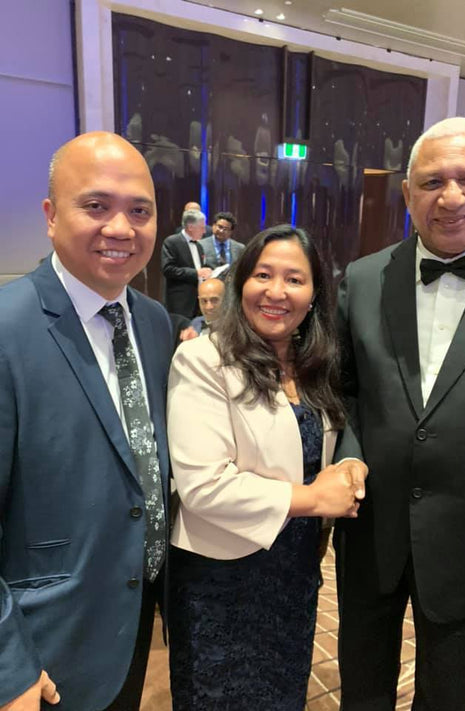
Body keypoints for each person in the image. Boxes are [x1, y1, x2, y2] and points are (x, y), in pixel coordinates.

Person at [334, 116, 465, 711]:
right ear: (407, 194)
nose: (450, 198)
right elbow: (345, 391)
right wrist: (347, 460)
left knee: (449, 698)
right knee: (361, 691)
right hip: (371, 532)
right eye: (431, 182)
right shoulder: (366, 277)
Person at [0, 132, 173, 711]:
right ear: (50, 216)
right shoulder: (7, 330)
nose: (121, 228)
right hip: (41, 646)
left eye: (140, 210)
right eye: (96, 206)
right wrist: (6, 668)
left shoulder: (152, 324)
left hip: (129, 625)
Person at [166, 224, 368, 710]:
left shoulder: (314, 363)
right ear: (240, 284)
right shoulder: (203, 359)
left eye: (295, 279)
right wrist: (316, 499)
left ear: (315, 293)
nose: (277, 292)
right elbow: (205, 488)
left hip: (294, 568)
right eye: (263, 275)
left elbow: (323, 445)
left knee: (282, 692)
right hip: (223, 574)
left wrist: (350, 466)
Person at [161, 209, 212, 317]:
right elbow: (168, 269)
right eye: (202, 227)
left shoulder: (199, 246)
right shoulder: (172, 242)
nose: (204, 231)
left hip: (198, 301)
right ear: (190, 227)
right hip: (180, 303)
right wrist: (196, 273)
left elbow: (200, 267)